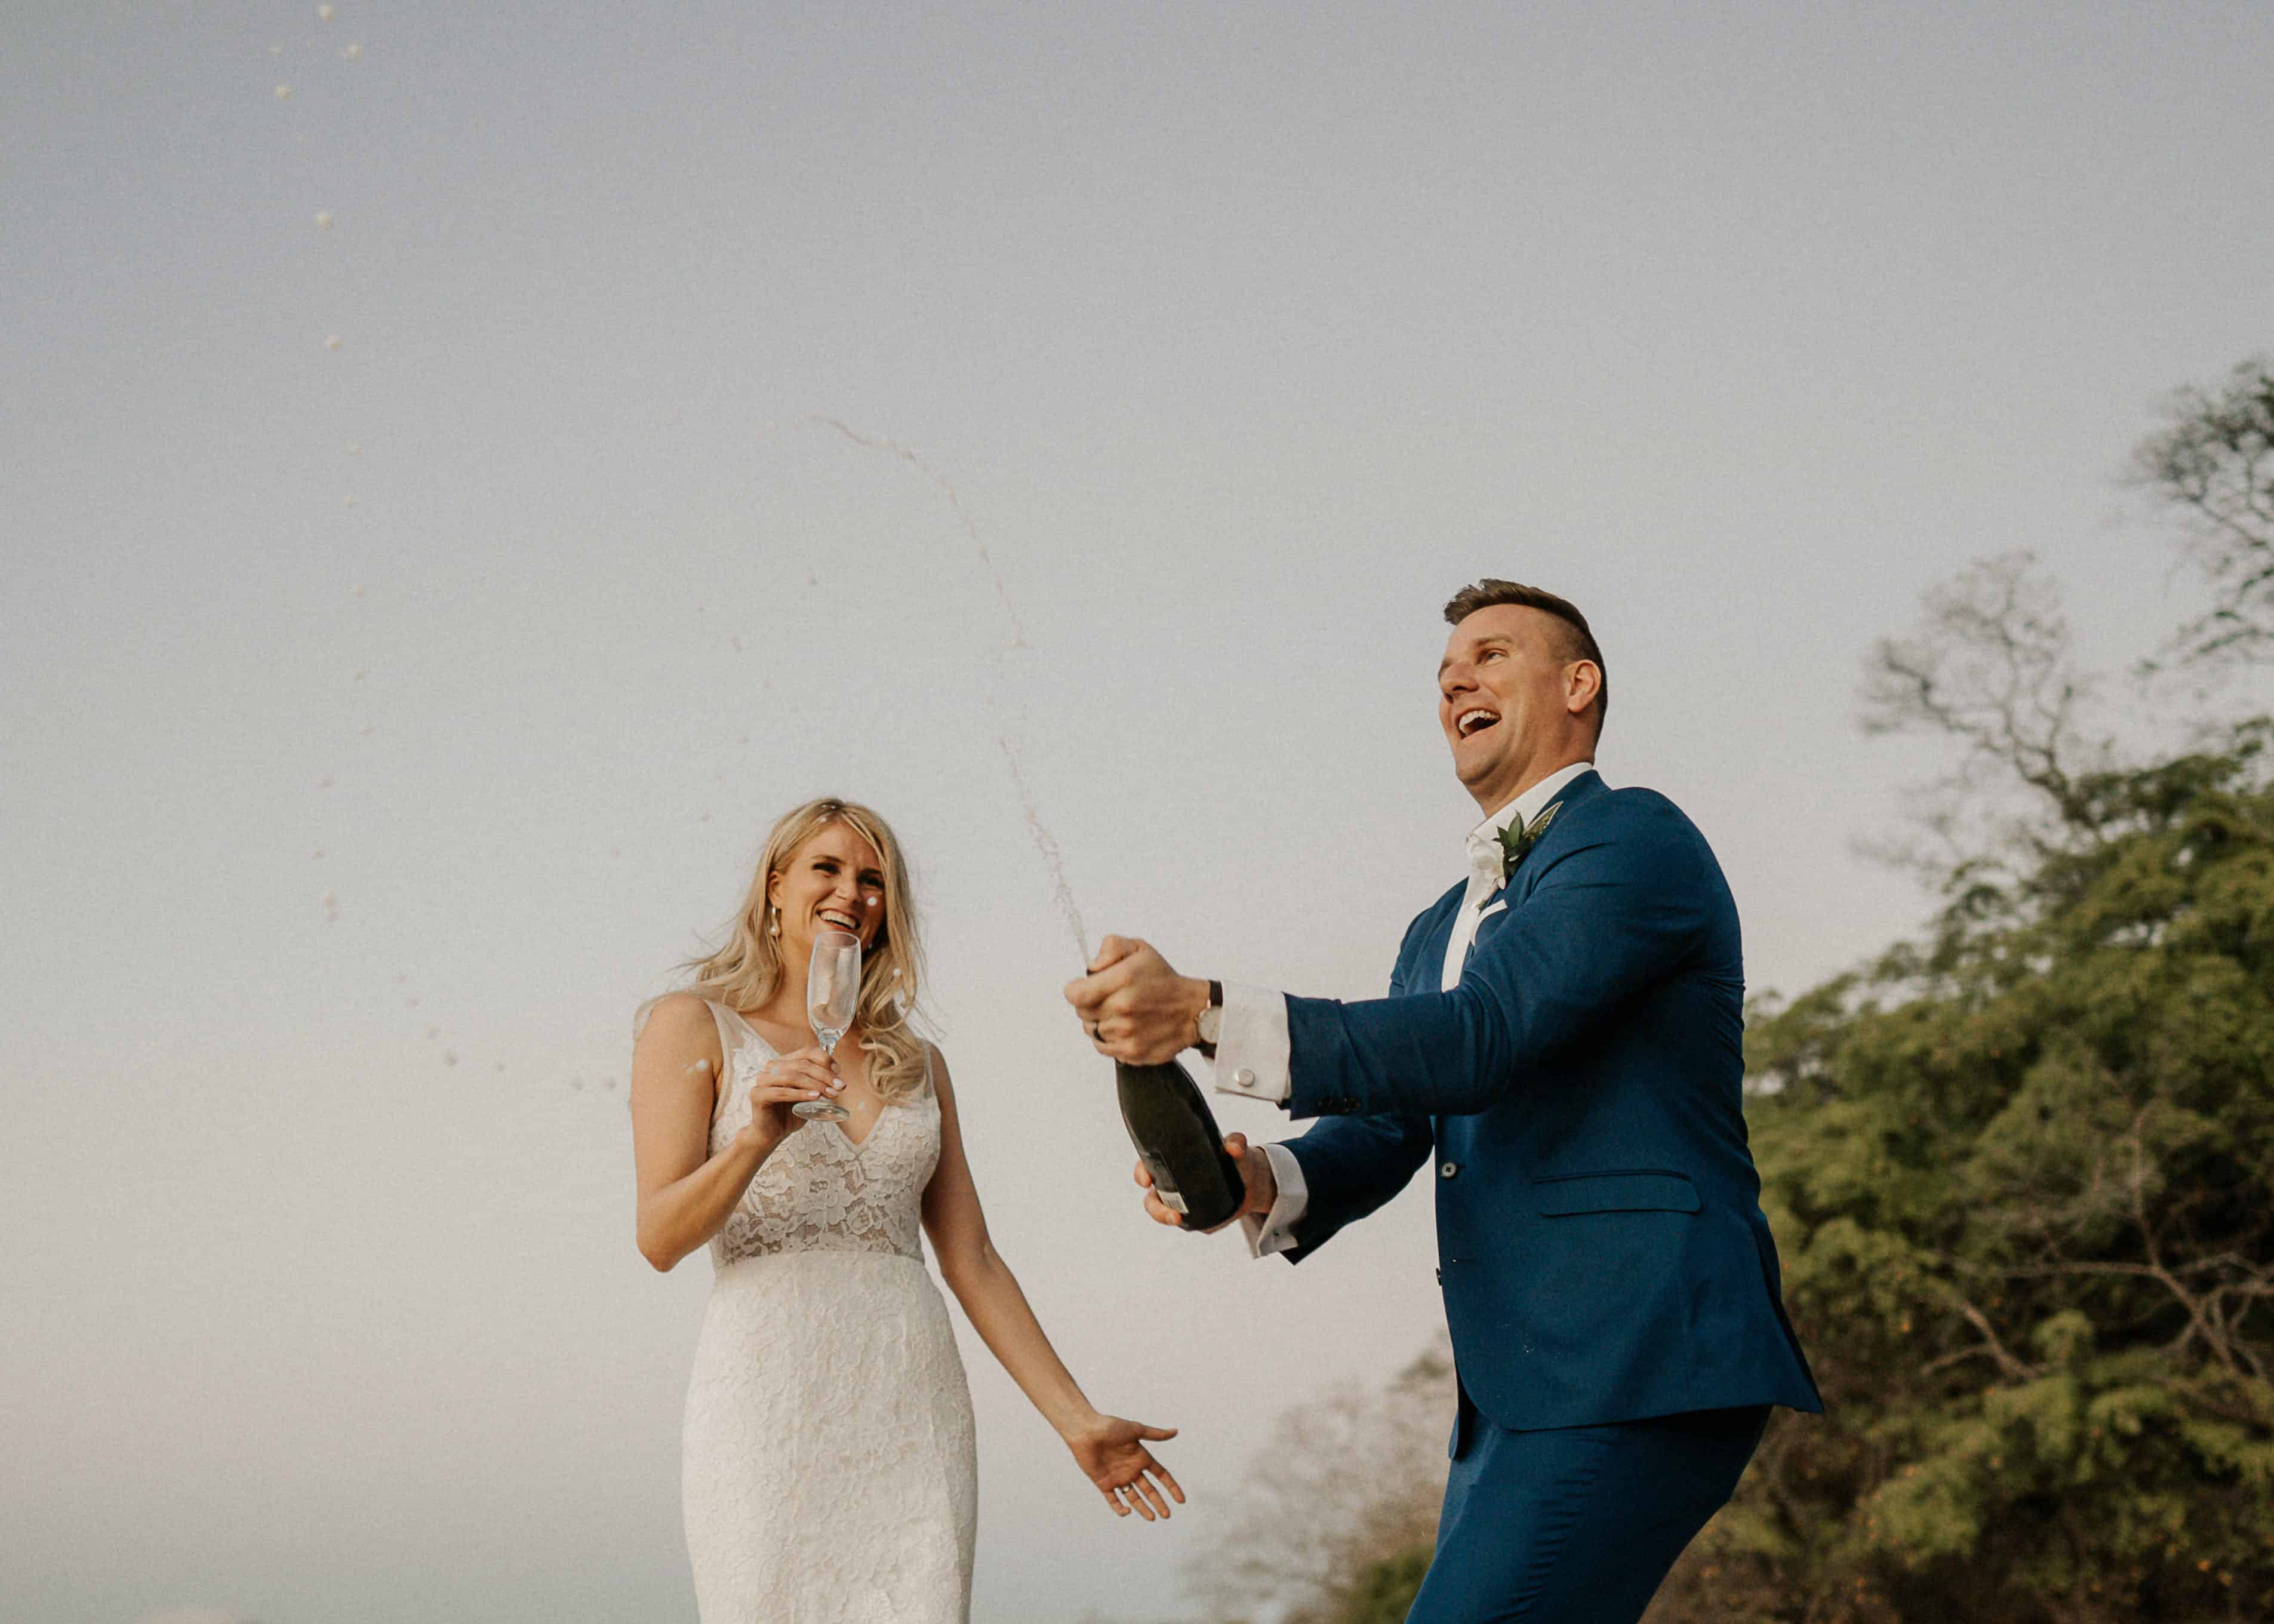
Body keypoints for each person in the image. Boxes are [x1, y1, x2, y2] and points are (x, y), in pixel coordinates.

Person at [1067, 581, 1821, 1623]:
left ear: (1578, 684)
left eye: (1491, 655)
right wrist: (1259, 1181)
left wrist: (1204, 1012)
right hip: (1517, 1385)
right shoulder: (1436, 925)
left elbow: (1483, 1035)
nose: (1456, 680)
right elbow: (1393, 1123)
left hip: (1638, 1351)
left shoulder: (1634, 840)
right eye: (1444, 672)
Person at [634, 796, 1181, 1623]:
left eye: (873, 880)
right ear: (776, 885)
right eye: (826, 869)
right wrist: (756, 1138)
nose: (850, 893)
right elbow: (659, 1237)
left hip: (910, 1407)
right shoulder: (692, 1025)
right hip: (765, 1402)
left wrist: (1077, 1421)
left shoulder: (918, 1061)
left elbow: (973, 1259)